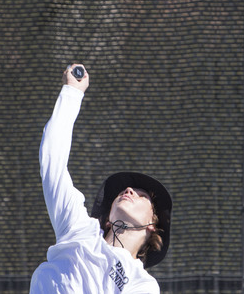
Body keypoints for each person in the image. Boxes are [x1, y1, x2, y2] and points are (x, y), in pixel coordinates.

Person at [30, 64, 172, 293]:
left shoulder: (143, 284)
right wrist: (72, 92)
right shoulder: (78, 228)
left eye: (142, 195)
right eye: (123, 192)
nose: (129, 190)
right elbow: (51, 162)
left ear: (152, 226)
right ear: (107, 220)